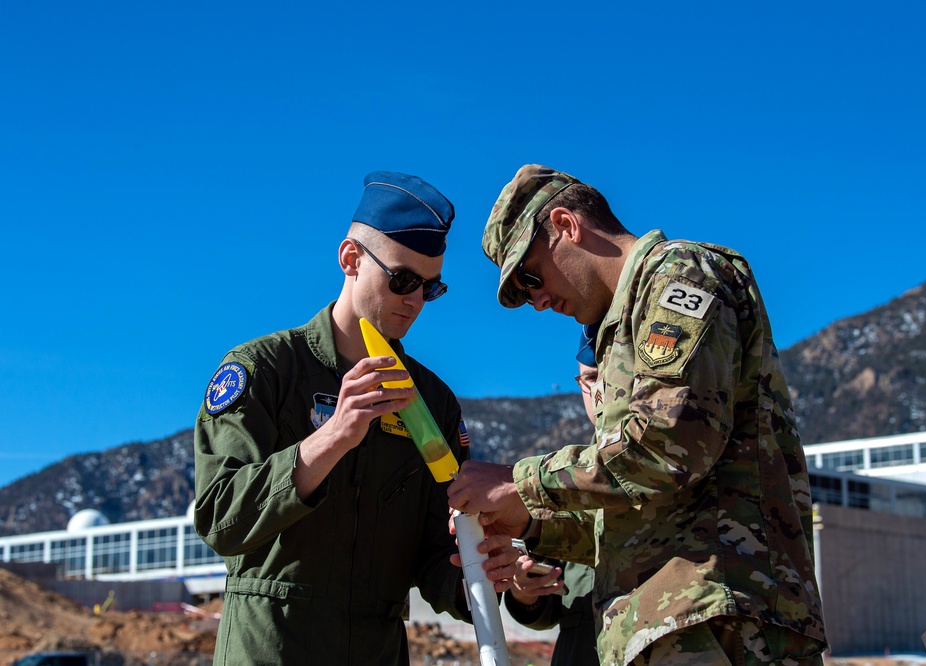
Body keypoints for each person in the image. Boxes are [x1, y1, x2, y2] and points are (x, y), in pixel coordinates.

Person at [448, 165, 827, 665]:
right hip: (670, 625)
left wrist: (520, 482)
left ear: (566, 224)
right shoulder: (619, 333)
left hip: (719, 621)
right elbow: (636, 517)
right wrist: (531, 521)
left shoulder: (679, 273)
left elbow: (669, 446)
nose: (537, 301)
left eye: (531, 276)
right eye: (523, 293)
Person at [194, 171, 516, 665]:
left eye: (430, 289)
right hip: (272, 648)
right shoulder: (265, 370)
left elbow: (434, 550)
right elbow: (221, 519)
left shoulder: (432, 400)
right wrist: (334, 437)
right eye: (403, 279)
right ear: (350, 259)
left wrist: (480, 575)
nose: (414, 301)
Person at [504, 325, 602, 666]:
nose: (600, 390)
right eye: (589, 379)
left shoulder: (669, 461)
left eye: (607, 374)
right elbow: (552, 608)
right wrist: (525, 591)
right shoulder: (565, 479)